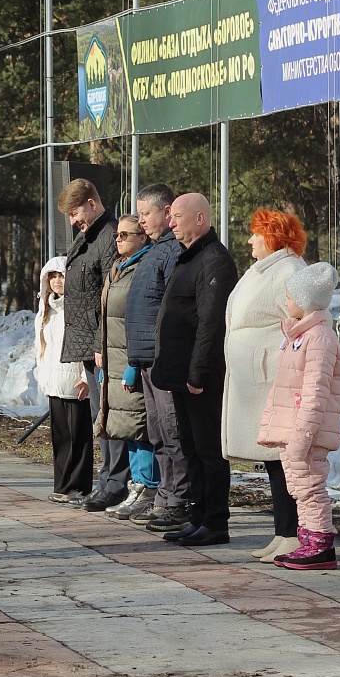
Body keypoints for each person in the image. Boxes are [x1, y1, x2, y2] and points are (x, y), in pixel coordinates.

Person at [222, 209, 309, 564]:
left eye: (255, 234)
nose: (248, 241)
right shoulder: (268, 269)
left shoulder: (289, 271)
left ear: (271, 236)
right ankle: (283, 533)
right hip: (258, 379)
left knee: (281, 460)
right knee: (273, 461)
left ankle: (292, 533)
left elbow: (306, 321)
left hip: (274, 378)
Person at [151, 193, 237, 548]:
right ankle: (199, 516)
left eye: (177, 217)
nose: (170, 223)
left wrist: (197, 373)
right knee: (190, 448)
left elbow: (210, 323)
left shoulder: (214, 260)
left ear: (200, 218)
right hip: (180, 375)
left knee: (208, 451)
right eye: (169, 217)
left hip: (200, 378)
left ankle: (215, 521)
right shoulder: (189, 258)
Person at [258, 263, 340, 571]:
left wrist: (302, 434)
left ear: (307, 301)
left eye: (290, 296)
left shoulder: (319, 338)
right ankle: (307, 539)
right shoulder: (299, 336)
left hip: (305, 431)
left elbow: (315, 393)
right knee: (299, 487)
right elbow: (283, 386)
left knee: (310, 486)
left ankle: (320, 543)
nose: (286, 301)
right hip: (293, 429)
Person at [56, 178, 129, 511]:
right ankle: (107, 482)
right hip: (91, 345)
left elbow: (110, 297)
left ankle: (115, 484)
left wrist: (101, 344)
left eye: (74, 213)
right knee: (100, 418)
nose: (72, 221)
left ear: (91, 202)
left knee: (109, 417)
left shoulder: (109, 237)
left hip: (104, 347)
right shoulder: (89, 236)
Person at [126, 183, 192, 532]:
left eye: (145, 214)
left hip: (163, 358)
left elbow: (172, 308)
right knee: (157, 432)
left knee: (172, 429)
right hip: (147, 358)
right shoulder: (155, 250)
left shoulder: (172, 251)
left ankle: (178, 499)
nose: (141, 222)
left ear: (167, 212)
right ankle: (166, 495)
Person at [94, 216, 160, 521]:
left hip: (132, 359)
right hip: (114, 359)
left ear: (142, 237)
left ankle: (147, 487)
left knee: (139, 426)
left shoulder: (143, 268)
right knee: (126, 427)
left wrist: (134, 364)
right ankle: (137, 486)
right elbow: (106, 315)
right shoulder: (119, 267)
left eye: (125, 234)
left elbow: (141, 318)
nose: (118, 239)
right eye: (116, 235)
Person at [34, 257, 93, 502]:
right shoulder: (45, 310)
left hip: (74, 382)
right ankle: (62, 485)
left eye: (62, 276)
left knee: (78, 435)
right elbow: (41, 347)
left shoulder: (79, 308)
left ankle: (77, 486)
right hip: (53, 382)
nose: (58, 281)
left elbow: (87, 342)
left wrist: (85, 376)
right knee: (60, 436)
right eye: (53, 276)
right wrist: (42, 375)